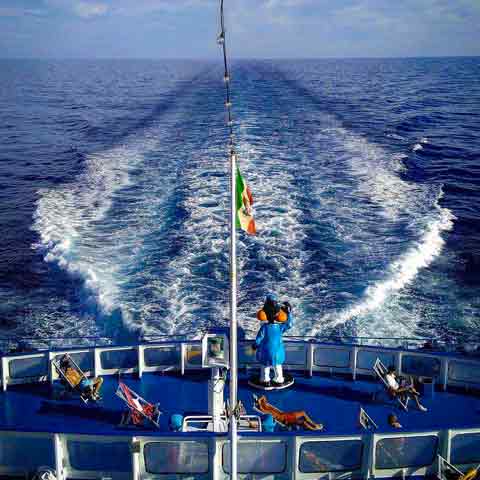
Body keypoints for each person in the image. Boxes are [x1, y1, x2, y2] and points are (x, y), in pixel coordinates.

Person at [253, 294, 293, 386]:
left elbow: (259, 338)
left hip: (265, 352)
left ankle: (265, 380)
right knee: (277, 365)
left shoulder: (264, 327)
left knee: (265, 366)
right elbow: (289, 324)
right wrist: (289, 313)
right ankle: (279, 380)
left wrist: (255, 345)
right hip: (278, 352)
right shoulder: (280, 327)